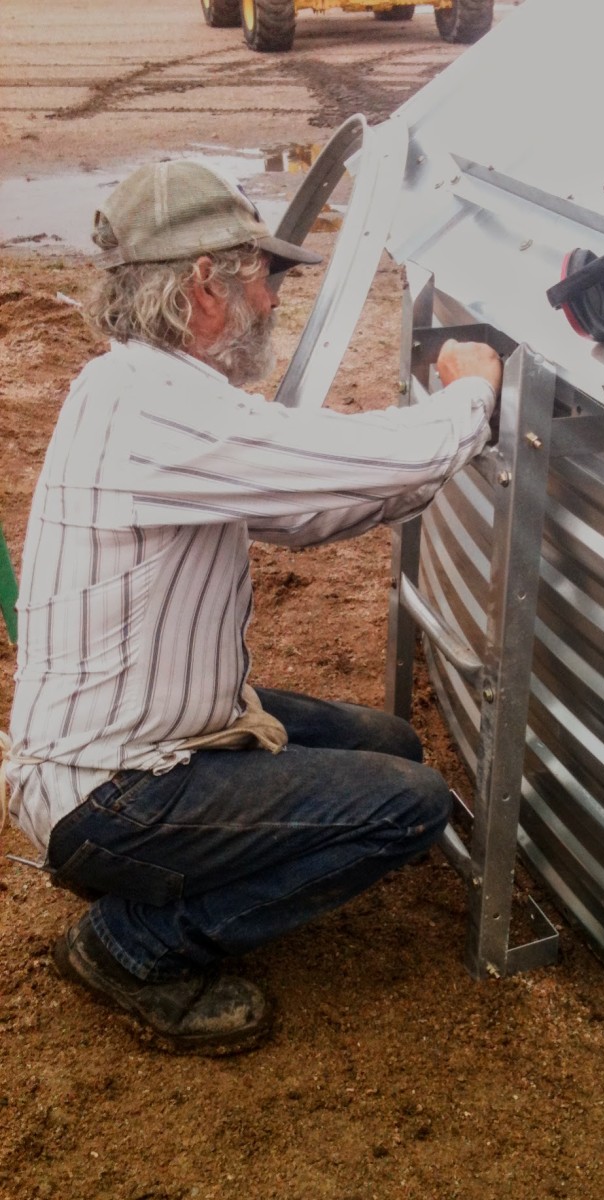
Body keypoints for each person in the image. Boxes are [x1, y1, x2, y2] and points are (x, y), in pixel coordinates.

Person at [1, 160, 503, 1056]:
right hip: (115, 795)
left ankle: (170, 883)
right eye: (262, 276)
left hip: (151, 739)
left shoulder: (138, 386)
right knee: (408, 803)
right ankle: (129, 944)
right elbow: (363, 466)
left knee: (386, 745)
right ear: (203, 285)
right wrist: (472, 394)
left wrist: (426, 458)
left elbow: (309, 511)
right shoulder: (161, 411)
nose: (272, 301)